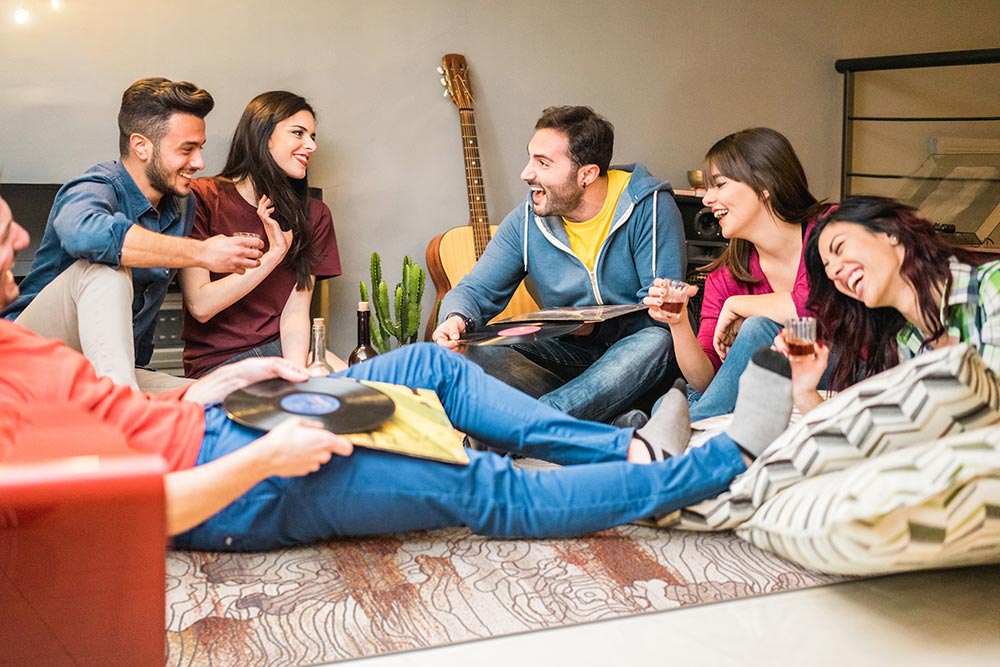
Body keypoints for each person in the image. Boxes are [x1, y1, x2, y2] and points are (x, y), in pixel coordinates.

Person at [1, 192, 798, 552]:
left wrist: (203, 388)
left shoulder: (13, 343)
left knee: (426, 361)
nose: (19, 241)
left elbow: (108, 414)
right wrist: (267, 456)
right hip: (226, 478)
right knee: (475, 480)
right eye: (4, 234)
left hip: (219, 419)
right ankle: (715, 465)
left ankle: (624, 454)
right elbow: (128, 515)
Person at [1, 77, 262, 392]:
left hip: (110, 373)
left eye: (200, 149)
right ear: (141, 145)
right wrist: (202, 252)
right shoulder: (95, 186)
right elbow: (85, 235)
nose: (199, 162)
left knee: (217, 396)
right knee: (105, 268)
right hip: (25, 359)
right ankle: (124, 419)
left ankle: (124, 403)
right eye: (187, 150)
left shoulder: (182, 203)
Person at [432, 106, 686, 423]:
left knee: (658, 341)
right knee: (468, 356)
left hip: (632, 359)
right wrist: (455, 318)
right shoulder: (527, 220)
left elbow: (662, 316)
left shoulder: (648, 207)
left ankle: (536, 423)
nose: (526, 174)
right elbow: (477, 288)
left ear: (587, 174)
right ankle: (602, 422)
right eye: (530, 159)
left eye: (543, 163)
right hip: (567, 356)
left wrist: (598, 327)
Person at [644, 127, 832, 421]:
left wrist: (738, 306)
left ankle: (680, 427)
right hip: (771, 381)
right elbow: (710, 380)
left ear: (764, 184)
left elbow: (819, 309)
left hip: (838, 362)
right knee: (675, 400)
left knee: (758, 327)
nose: (707, 199)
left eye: (719, 185)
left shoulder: (828, 229)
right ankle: (677, 424)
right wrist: (678, 321)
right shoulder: (726, 275)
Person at [777, 195, 1000, 413]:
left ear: (890, 233)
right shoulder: (907, 343)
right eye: (828, 268)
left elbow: (991, 411)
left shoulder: (992, 286)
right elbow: (888, 442)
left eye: (840, 247)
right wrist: (804, 392)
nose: (834, 271)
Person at [181, 91, 345, 378]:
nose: (310, 145)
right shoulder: (201, 198)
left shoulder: (314, 215)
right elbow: (201, 305)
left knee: (363, 390)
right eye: (298, 133)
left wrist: (294, 374)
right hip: (220, 363)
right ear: (262, 135)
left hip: (284, 351)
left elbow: (295, 314)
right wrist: (272, 257)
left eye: (313, 137)